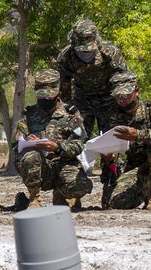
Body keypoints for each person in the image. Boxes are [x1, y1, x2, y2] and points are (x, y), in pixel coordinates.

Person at [56, 19, 129, 207]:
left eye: (89, 50)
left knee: (111, 145)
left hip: (109, 100)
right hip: (82, 101)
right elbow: (63, 89)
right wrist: (70, 112)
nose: (85, 53)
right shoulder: (66, 57)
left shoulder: (110, 53)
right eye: (82, 50)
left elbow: (125, 80)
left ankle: (110, 189)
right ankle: (73, 190)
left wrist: (121, 105)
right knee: (75, 141)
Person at [13, 69, 92, 210]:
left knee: (81, 186)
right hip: (40, 168)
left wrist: (57, 147)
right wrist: (27, 140)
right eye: (41, 98)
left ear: (58, 94)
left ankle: (61, 194)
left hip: (64, 164)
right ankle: (33, 199)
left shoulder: (71, 114)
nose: (44, 101)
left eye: (48, 98)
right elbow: (15, 143)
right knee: (31, 156)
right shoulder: (29, 115)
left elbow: (79, 143)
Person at [106, 71, 151, 210]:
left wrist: (139, 134)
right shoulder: (112, 116)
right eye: (118, 96)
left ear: (136, 92)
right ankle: (143, 190)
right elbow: (112, 143)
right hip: (133, 167)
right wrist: (109, 158)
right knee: (117, 203)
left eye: (126, 95)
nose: (122, 99)